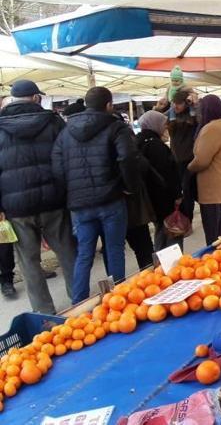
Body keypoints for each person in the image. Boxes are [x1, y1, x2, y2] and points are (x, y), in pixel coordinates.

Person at [52, 86, 141, 304]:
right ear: (109, 105)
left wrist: (71, 192)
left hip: (79, 205)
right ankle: (117, 300)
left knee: (84, 254)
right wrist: (130, 186)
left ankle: (78, 303)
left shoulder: (66, 132)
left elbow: (57, 166)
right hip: (111, 199)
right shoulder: (116, 127)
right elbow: (127, 157)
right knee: (114, 250)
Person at [0, 80, 77, 311]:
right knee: (67, 251)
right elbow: (68, 157)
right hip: (53, 199)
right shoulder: (53, 121)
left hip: (17, 205)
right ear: (35, 98)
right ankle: (80, 298)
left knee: (29, 261)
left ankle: (44, 312)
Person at [188, 95, 221, 245]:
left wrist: (188, 167)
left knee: (217, 240)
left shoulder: (211, 128)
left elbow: (202, 161)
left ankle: (220, 266)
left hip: (217, 193)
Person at [137, 111, 183, 250]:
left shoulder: (138, 142)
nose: (165, 127)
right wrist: (177, 195)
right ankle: (173, 266)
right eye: (163, 124)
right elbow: (167, 174)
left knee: (160, 231)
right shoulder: (156, 146)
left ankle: (159, 265)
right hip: (164, 198)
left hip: (151, 199)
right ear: (154, 124)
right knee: (172, 232)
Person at [166, 88, 197, 224]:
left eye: (179, 103)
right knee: (182, 191)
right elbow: (153, 117)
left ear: (186, 103)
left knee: (188, 191)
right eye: (173, 103)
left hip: (190, 159)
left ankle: (187, 221)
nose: (175, 106)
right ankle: (185, 220)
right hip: (176, 160)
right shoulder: (171, 115)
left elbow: (198, 118)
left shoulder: (192, 116)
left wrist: (193, 101)